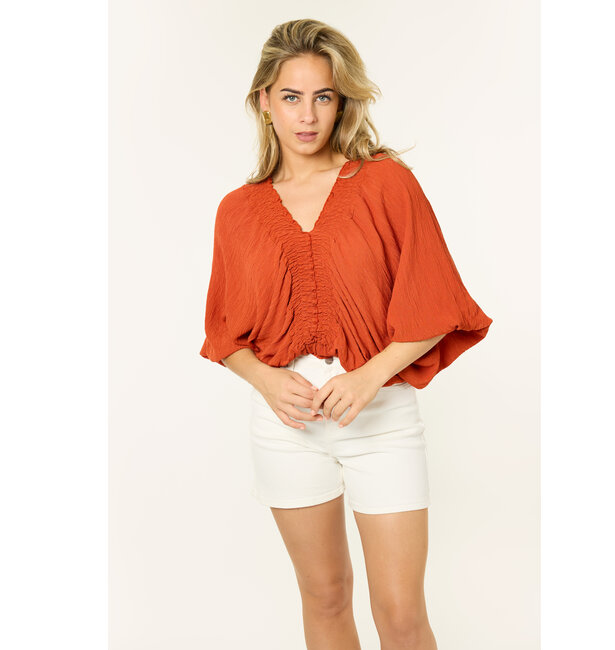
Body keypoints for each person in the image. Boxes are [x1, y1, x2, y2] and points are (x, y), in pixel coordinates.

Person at [200, 18, 493, 650]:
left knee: (401, 614)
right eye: (291, 97)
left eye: (323, 97)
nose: (307, 116)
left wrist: (368, 377)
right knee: (325, 597)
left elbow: (438, 302)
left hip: (381, 421)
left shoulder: (385, 183)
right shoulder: (238, 210)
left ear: (342, 102)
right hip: (286, 429)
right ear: (264, 101)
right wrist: (266, 381)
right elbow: (223, 333)